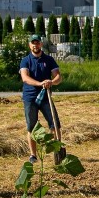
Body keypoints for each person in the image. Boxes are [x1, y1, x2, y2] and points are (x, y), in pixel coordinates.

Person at [19, 34, 62, 162]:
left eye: (37, 43)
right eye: (33, 43)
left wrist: (51, 82)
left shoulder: (49, 60)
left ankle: (57, 150)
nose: (35, 45)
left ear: (41, 44)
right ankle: (33, 155)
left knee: (54, 123)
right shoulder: (25, 60)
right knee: (32, 126)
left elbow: (58, 77)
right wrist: (40, 83)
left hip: (45, 97)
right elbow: (25, 78)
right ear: (29, 45)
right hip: (30, 98)